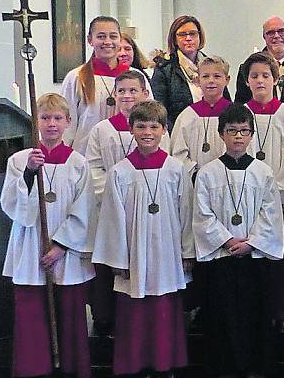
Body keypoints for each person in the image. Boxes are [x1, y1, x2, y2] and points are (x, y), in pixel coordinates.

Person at [91, 101, 194, 376]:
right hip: (133, 254)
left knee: (164, 306)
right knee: (133, 308)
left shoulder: (175, 169)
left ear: (164, 130)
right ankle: (134, 364)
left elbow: (186, 213)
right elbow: (112, 219)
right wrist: (118, 259)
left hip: (168, 252)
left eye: (153, 126)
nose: (147, 132)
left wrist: (187, 252)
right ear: (131, 129)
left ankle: (164, 364)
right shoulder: (120, 171)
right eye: (141, 126)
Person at [1, 93, 94, 378]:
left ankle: (71, 369)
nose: (51, 124)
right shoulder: (20, 160)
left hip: (65, 252)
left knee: (68, 314)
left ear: (68, 122)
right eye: (44, 118)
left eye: (57, 118)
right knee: (32, 315)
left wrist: (60, 246)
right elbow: (10, 204)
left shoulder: (78, 162)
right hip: (31, 246)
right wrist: (29, 173)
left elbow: (85, 208)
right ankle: (34, 369)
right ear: (36, 122)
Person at [193, 103, 284, 377]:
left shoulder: (263, 172)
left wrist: (251, 243)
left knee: (255, 314)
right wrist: (226, 240)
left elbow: (271, 212)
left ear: (252, 135)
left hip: (254, 258)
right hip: (221, 258)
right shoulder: (208, 172)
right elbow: (202, 214)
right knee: (221, 316)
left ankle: (256, 368)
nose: (238, 137)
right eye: (232, 130)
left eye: (244, 131)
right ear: (221, 133)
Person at [84, 70, 167, 334]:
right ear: (115, 95)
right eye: (122, 91)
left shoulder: (155, 126)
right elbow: (93, 169)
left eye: (133, 90)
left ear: (145, 93)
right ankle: (106, 318)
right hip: (112, 210)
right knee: (113, 264)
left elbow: (166, 165)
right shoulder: (101, 130)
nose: (127, 96)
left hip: (150, 211)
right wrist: (116, 195)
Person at [242, 52, 284, 333]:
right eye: (254, 76)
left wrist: (271, 195)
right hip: (247, 204)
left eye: (265, 75)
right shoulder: (239, 116)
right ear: (247, 81)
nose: (260, 81)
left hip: (282, 204)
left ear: (275, 79)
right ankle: (257, 314)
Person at [61, 16, 143, 152]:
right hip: (85, 153)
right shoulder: (76, 77)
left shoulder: (135, 77)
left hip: (129, 152)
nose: (108, 42)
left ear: (119, 39)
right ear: (90, 40)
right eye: (101, 36)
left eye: (113, 36)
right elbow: (67, 124)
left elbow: (148, 116)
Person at [152, 15, 228, 131]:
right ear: (174, 39)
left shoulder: (213, 65)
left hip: (216, 128)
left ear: (200, 37)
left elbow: (226, 102)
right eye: (182, 34)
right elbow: (159, 109)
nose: (188, 38)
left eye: (193, 34)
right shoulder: (164, 69)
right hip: (180, 130)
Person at [170, 56, 233, 177]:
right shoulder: (188, 116)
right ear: (198, 80)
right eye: (205, 76)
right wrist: (195, 174)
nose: (211, 80)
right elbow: (178, 153)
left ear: (227, 80)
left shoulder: (235, 114)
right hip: (196, 179)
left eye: (217, 76)